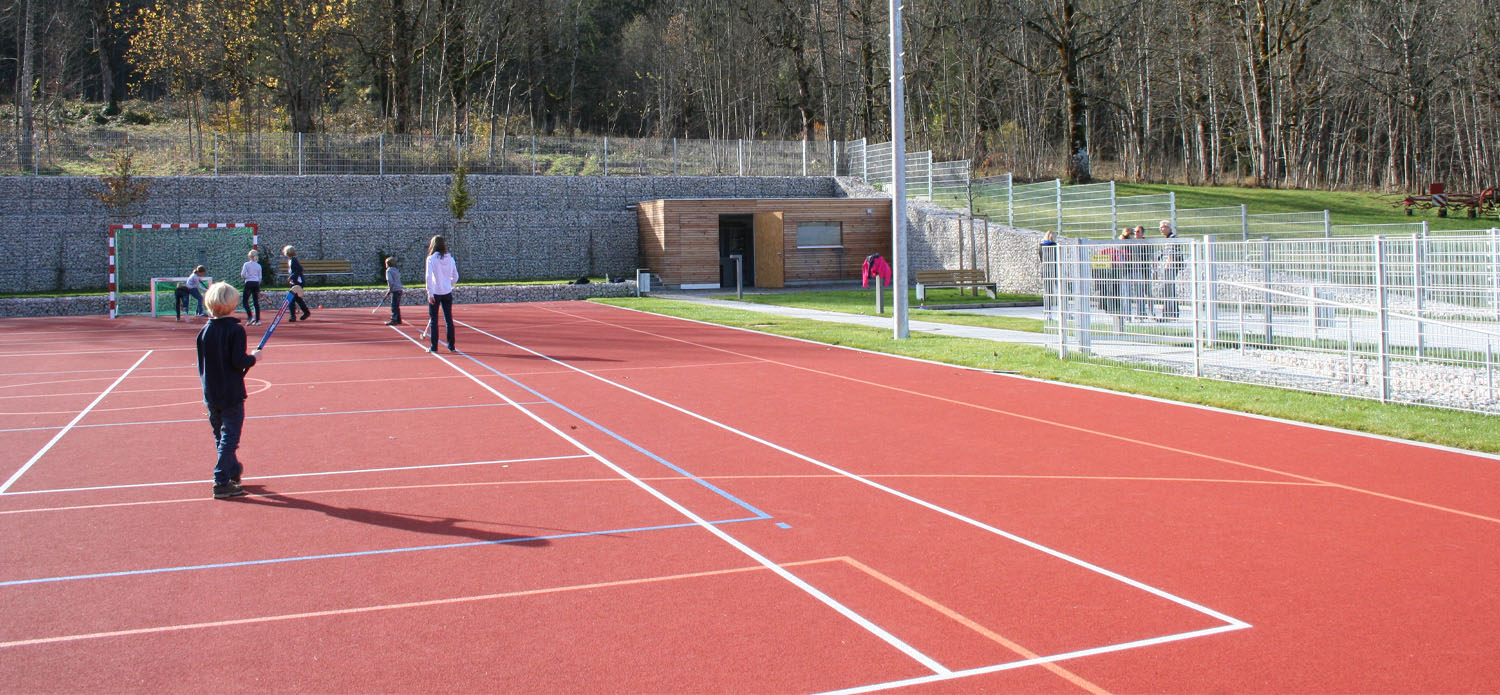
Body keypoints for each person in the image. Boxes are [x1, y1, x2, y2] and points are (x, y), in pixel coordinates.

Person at [196, 282, 258, 499]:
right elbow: (238, 361)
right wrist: (253, 358)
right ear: (232, 305)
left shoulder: (204, 331)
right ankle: (221, 479)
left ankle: (231, 470)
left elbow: (201, 365)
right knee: (229, 437)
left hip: (211, 393)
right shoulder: (235, 330)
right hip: (230, 394)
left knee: (220, 436)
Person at [425, 235, 460, 352]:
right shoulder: (450, 259)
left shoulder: (431, 259)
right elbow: (456, 276)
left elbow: (428, 276)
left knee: (434, 320)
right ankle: (451, 346)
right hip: (447, 292)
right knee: (448, 319)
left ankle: (434, 347)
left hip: (435, 292)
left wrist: (429, 292)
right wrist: (448, 284)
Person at [1157, 220, 1184, 320]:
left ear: (1169, 228)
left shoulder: (1172, 238)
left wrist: (1168, 264)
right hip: (1168, 267)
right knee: (1169, 290)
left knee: (1168, 290)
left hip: (1171, 268)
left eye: (1163, 227)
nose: (1161, 229)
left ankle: (1168, 314)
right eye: (1160, 227)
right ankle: (1172, 313)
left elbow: (1174, 253)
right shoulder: (1168, 239)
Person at [282, 245, 312, 322]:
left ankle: (293, 316)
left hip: (297, 282)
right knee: (297, 299)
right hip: (294, 282)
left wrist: (291, 277)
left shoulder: (294, 260)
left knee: (291, 299)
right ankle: (306, 312)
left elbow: (299, 269)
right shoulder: (290, 260)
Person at [1038, 231, 1059, 316]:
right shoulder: (1055, 246)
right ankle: (1065, 311)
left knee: (1048, 292)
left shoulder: (1041, 246)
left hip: (1045, 270)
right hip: (1055, 270)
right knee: (1062, 291)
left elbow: (1041, 258)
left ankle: (1048, 312)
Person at [240, 249, 263, 325]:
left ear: (249, 256)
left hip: (249, 282)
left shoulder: (246, 264)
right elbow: (260, 277)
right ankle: (258, 320)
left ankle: (250, 317)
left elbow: (243, 274)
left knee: (245, 301)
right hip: (256, 283)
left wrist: (246, 278)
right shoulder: (258, 265)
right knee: (256, 302)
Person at [384, 255, 403, 325]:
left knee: (393, 306)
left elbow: (390, 281)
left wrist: (390, 289)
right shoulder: (396, 270)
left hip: (395, 290)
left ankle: (394, 319)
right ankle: (398, 319)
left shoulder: (388, 271)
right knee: (397, 305)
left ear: (388, 264)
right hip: (400, 289)